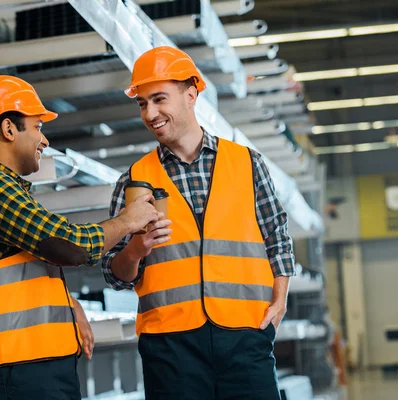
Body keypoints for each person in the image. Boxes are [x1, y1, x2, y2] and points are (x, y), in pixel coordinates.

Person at [0, 75, 160, 400]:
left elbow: (23, 268)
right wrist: (127, 221)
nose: (44, 141)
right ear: (8, 129)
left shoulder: (0, 188)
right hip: (11, 373)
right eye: (37, 127)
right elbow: (68, 246)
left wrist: (67, 304)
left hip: (21, 370)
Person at [102, 46, 295, 399]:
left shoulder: (246, 163)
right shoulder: (134, 180)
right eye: (142, 103)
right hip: (170, 345)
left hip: (244, 333)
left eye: (159, 99)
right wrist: (134, 249)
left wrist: (280, 300)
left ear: (191, 94)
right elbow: (114, 276)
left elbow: (277, 234)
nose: (151, 113)